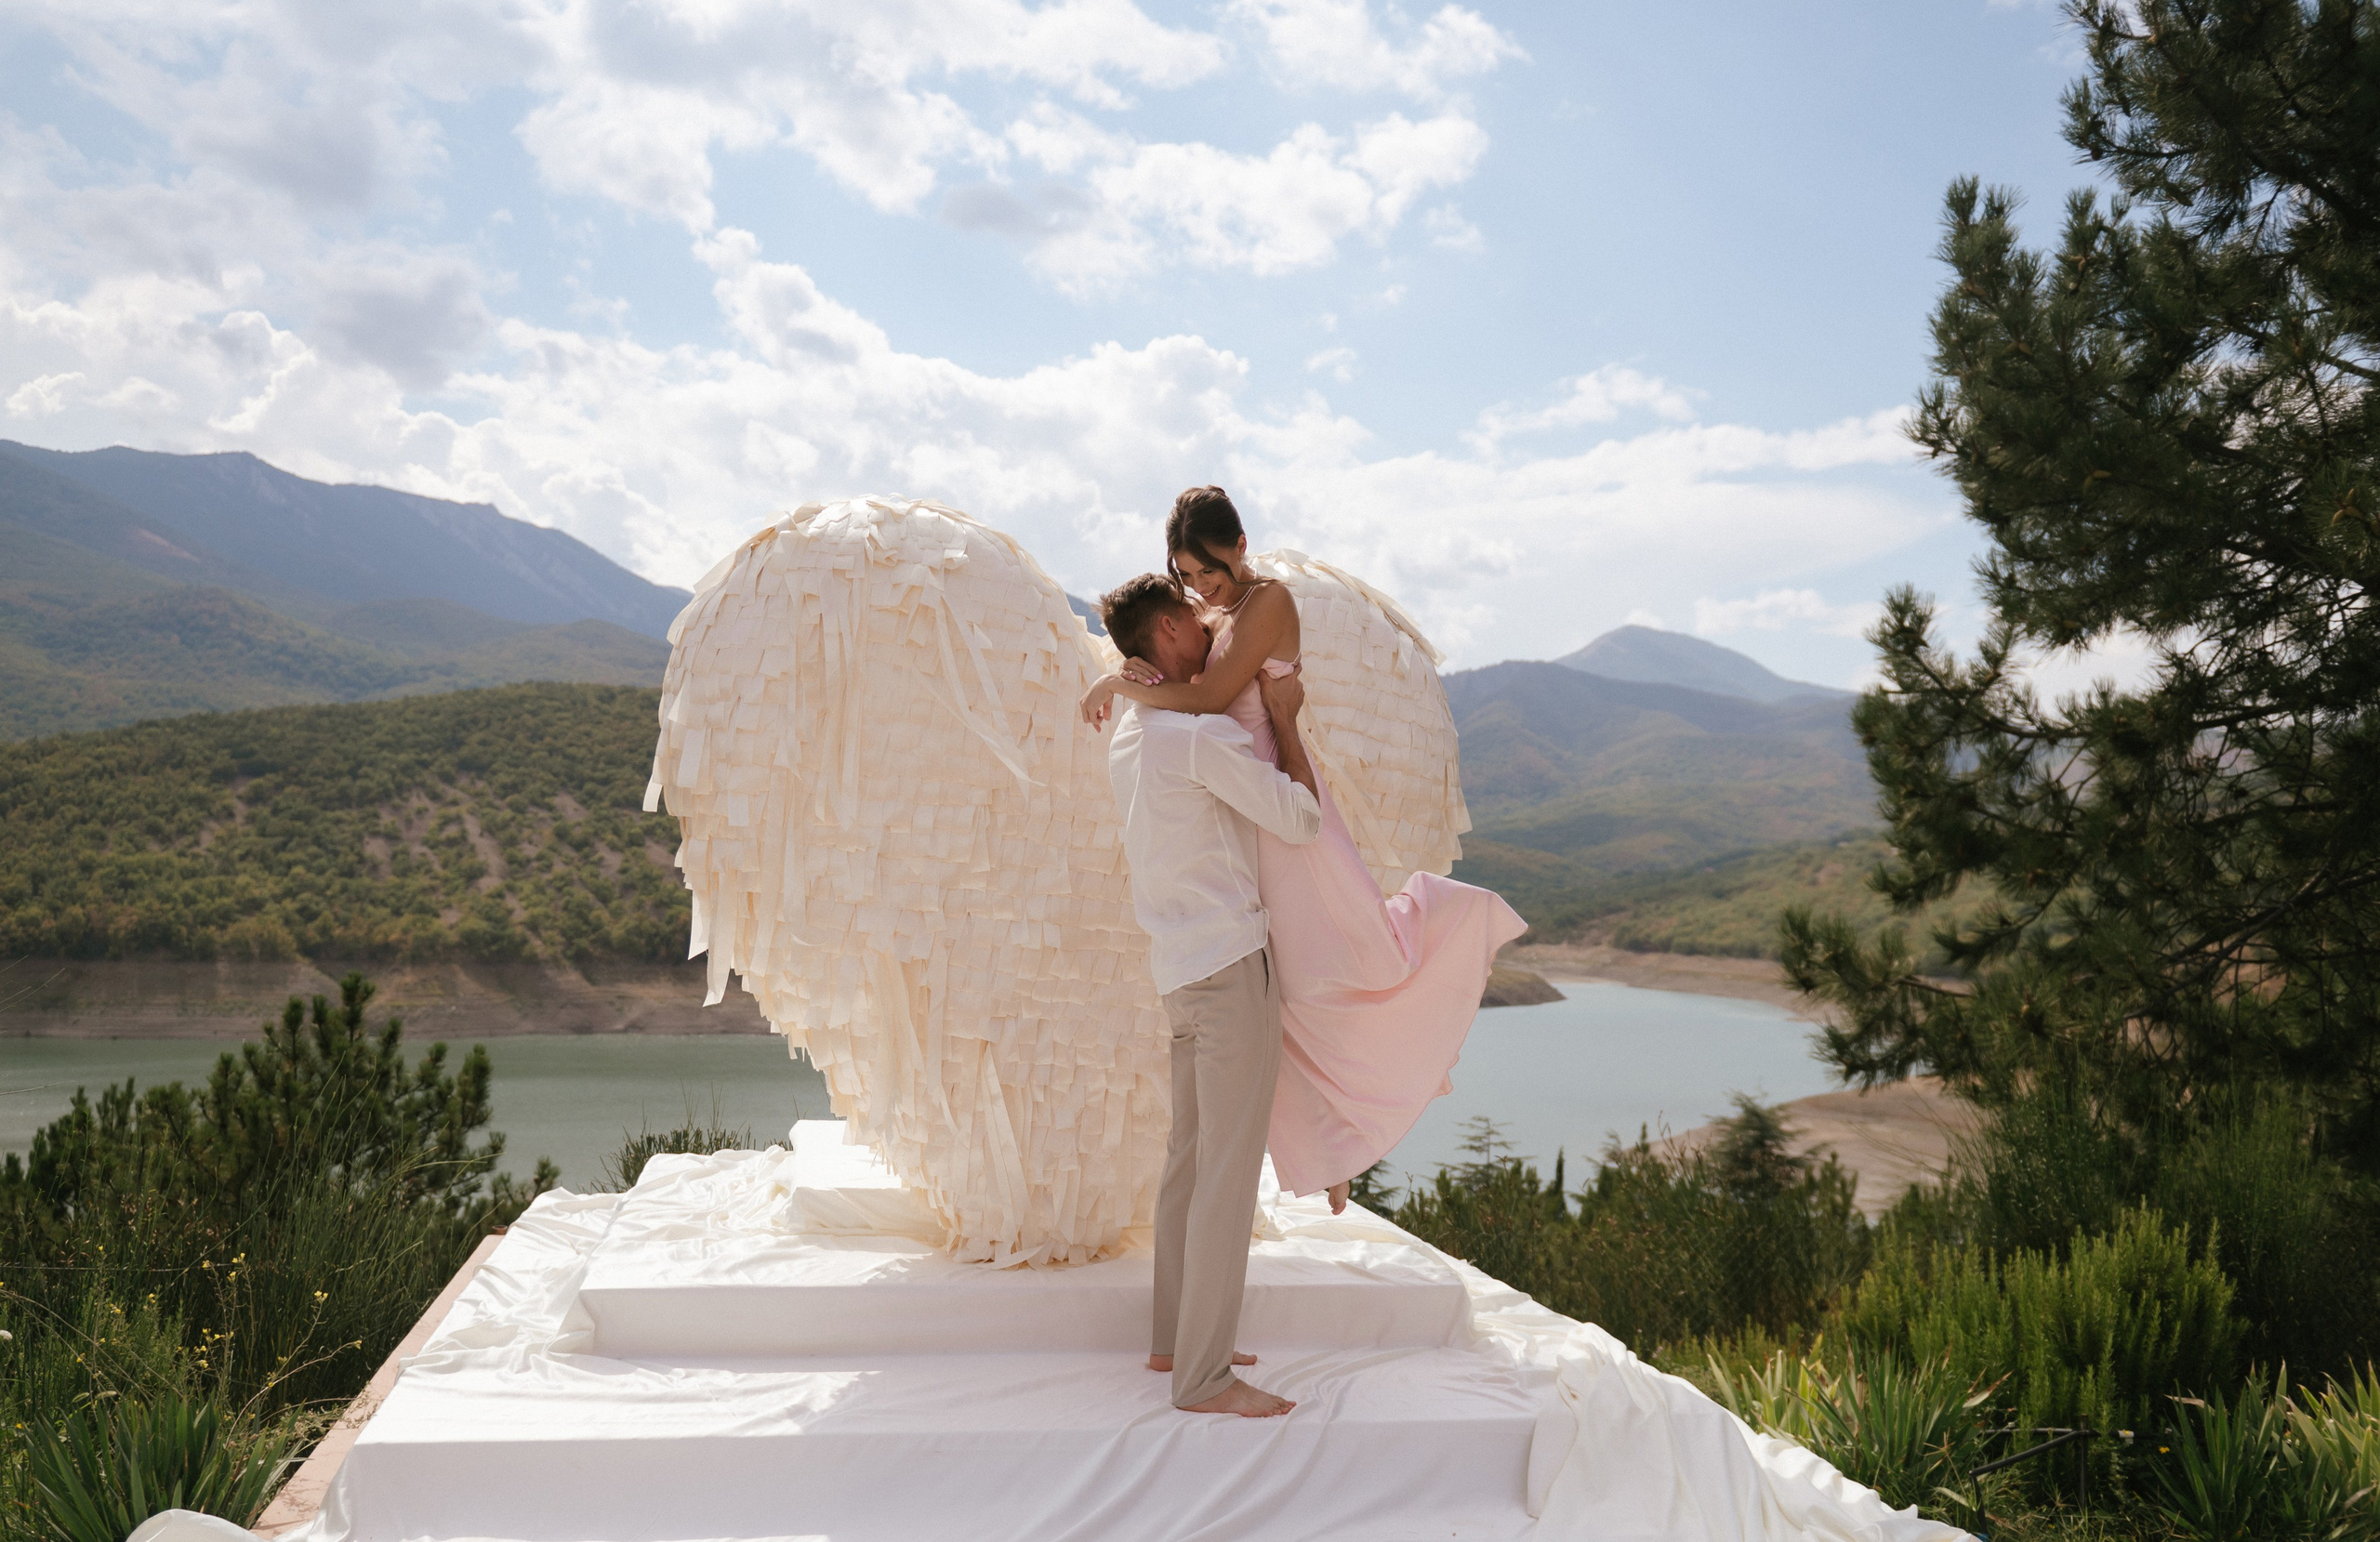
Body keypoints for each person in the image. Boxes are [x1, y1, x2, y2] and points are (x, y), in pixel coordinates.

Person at [1081, 486, 1527, 1215]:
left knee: (1344, 963)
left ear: (1239, 545)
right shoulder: (1215, 614)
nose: (1199, 589)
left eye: (1207, 572)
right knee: (1282, 993)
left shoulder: (1269, 605)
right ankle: (1332, 1147)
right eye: (1186, 576)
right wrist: (1144, 672)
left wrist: (1119, 684)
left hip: (1285, 805)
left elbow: (1212, 694)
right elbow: (1187, 680)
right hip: (1245, 808)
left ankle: (1355, 1125)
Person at [1100, 571, 1321, 1418]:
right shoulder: (1193, 735)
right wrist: (1290, 724)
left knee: (1189, 1163)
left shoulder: (1130, 730)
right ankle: (1204, 1378)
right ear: (1163, 636)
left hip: (1178, 971)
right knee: (1226, 1175)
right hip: (1229, 966)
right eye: (1193, 621)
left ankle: (1173, 1341)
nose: (1209, 636)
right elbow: (1299, 817)